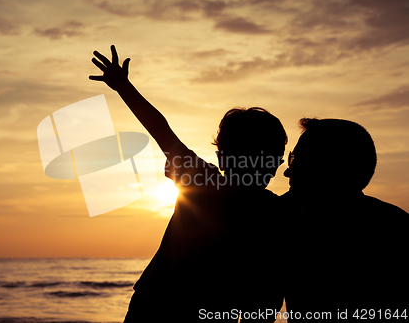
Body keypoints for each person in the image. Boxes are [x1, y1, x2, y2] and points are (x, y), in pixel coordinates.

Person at [90, 45, 287, 322]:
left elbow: (161, 130)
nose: (276, 164)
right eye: (274, 157)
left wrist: (123, 86)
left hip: (159, 306)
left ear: (221, 157)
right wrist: (123, 87)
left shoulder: (204, 181)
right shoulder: (274, 208)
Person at [282, 118, 409, 322]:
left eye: (295, 159)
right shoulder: (397, 225)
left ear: (323, 164)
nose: (287, 170)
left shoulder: (290, 224)